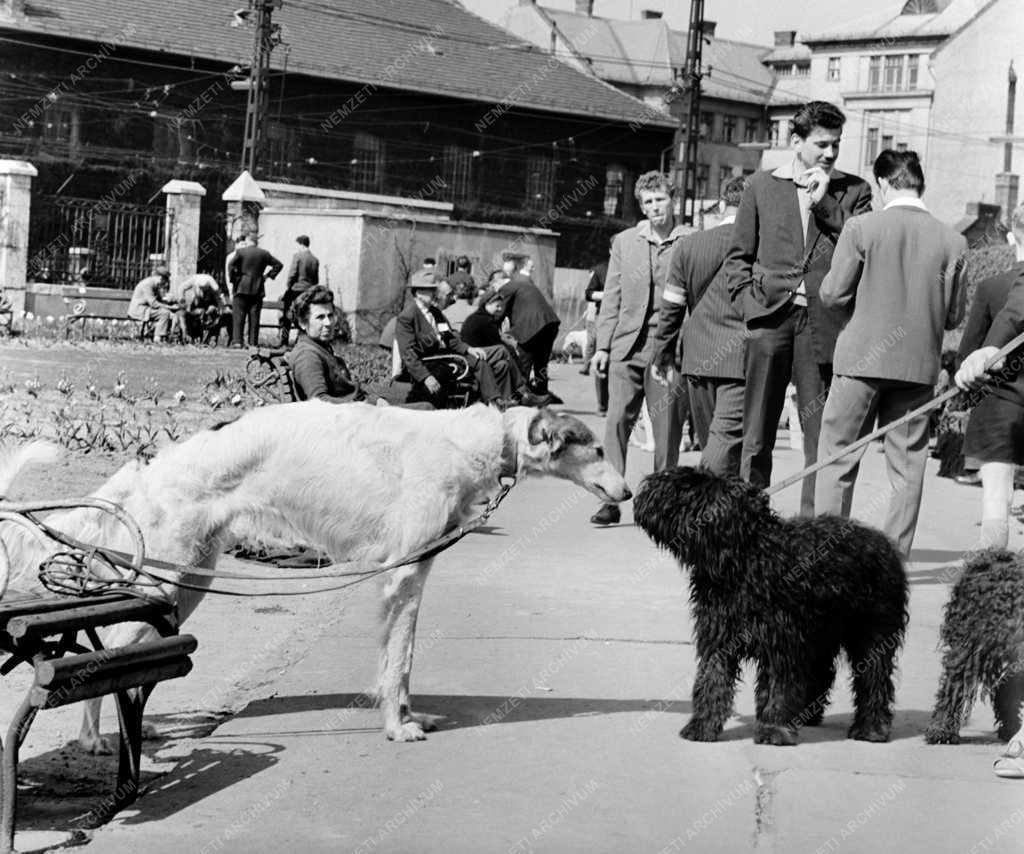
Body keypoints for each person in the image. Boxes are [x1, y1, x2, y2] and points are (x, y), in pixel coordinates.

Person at [814, 150, 968, 558]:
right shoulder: (954, 240)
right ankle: (894, 561)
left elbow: (832, 294)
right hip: (917, 368)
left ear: (882, 184)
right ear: (921, 183)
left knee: (837, 458)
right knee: (907, 469)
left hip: (860, 362)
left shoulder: (862, 227)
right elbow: (953, 316)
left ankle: (829, 556)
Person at [724, 100, 873, 516]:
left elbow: (862, 246)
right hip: (769, 321)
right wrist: (749, 305)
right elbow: (738, 256)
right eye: (822, 144)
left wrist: (826, 202)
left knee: (821, 436)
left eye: (836, 146)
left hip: (823, 327)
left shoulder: (855, 192)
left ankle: (814, 531)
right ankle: (750, 520)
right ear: (796, 141)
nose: (829, 153)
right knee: (756, 432)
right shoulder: (760, 186)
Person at [589, 170, 693, 526]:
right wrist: (602, 347)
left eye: (660, 199)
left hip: (669, 347)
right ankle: (610, 498)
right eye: (648, 202)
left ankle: (664, 505)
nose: (654, 208)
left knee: (666, 428)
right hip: (627, 346)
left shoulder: (691, 239)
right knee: (617, 421)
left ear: (673, 200)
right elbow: (612, 300)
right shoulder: (625, 241)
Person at [650, 175, 748, 476]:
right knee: (725, 446)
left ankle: (723, 509)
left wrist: (661, 353)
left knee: (712, 442)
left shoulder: (688, 246)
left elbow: (671, 308)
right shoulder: (759, 245)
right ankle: (706, 504)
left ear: (722, 203)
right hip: (742, 360)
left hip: (697, 359)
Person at [955, 202, 1024, 549]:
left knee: (997, 499)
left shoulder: (992, 286)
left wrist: (969, 374)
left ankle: (991, 576)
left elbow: (969, 351)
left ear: (1012, 236)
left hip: (999, 403)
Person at [394, 271, 545, 408]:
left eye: (434, 289)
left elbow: (450, 338)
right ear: (418, 293)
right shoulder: (408, 317)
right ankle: (513, 396)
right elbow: (408, 354)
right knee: (497, 353)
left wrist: (469, 349)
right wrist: (425, 377)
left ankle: (503, 402)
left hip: (450, 355)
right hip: (433, 361)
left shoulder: (435, 312)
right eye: (430, 290)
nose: (434, 293)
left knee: (500, 364)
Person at [289, 286, 372, 404]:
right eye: (320, 317)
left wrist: (375, 400)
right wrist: (360, 407)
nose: (328, 323)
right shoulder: (307, 356)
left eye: (330, 316)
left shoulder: (320, 348)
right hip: (344, 416)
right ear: (303, 322)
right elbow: (319, 402)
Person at [497, 252, 562, 402]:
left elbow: (498, 312)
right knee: (541, 363)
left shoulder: (509, 286)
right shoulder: (525, 283)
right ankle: (541, 394)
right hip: (549, 323)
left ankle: (522, 398)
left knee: (524, 362)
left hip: (533, 327)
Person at [227, 232, 283, 347]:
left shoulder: (240, 252)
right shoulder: (264, 253)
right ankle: (253, 342)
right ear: (257, 242)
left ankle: (238, 341)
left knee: (239, 316)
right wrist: (267, 276)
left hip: (241, 287)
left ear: (247, 241)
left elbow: (231, 266)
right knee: (254, 317)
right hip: (258, 288)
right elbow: (278, 265)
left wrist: (235, 279)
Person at [279, 235, 320, 347]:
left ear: (301, 244)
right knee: (304, 316)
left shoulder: (298, 256)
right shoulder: (315, 260)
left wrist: (288, 287)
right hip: (309, 292)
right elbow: (316, 280)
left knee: (287, 315)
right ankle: (302, 340)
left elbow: (292, 274)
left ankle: (284, 341)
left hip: (296, 290)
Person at [582, 257, 610, 415]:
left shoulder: (634, 264)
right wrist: (607, 295)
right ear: (611, 250)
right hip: (605, 316)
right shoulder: (601, 269)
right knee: (601, 359)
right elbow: (589, 293)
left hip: (628, 317)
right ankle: (602, 405)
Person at [127, 266, 178, 343]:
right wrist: (170, 307)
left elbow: (158, 300)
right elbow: (153, 303)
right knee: (164, 313)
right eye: (163, 280)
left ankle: (163, 336)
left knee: (166, 312)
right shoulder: (147, 284)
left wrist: (169, 300)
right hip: (139, 310)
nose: (162, 283)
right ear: (160, 278)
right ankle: (157, 338)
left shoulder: (153, 284)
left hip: (145, 309)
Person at [177, 273, 227, 343]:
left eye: (204, 289)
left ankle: (211, 337)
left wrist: (220, 307)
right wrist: (182, 299)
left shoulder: (214, 285)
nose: (203, 291)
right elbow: (181, 288)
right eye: (201, 289)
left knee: (214, 317)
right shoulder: (194, 279)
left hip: (210, 302)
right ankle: (192, 336)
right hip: (197, 302)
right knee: (192, 317)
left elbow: (219, 297)